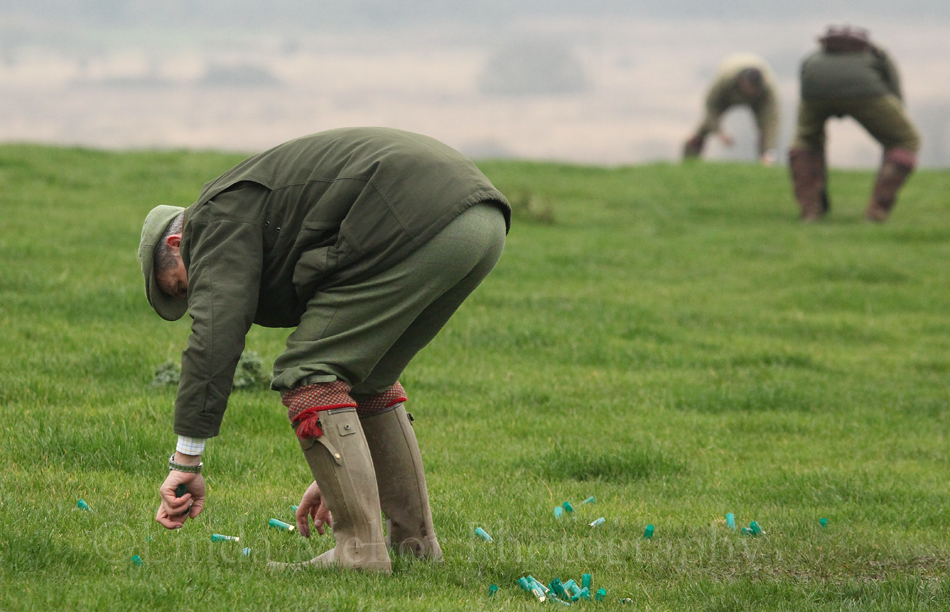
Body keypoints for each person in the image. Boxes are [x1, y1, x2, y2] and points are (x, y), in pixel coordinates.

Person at [138, 127, 511, 572]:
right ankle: (414, 543)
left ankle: (359, 552)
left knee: (309, 369)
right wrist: (339, 481)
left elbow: (215, 337)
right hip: (480, 220)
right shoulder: (240, 206)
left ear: (178, 245)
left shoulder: (212, 220)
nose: (194, 296)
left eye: (184, 286)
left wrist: (187, 460)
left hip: (419, 217)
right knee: (367, 377)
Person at [789, 25, 921, 222]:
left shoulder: (815, 57)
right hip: (866, 90)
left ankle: (810, 211)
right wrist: (894, 125)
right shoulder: (877, 54)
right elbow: (894, 92)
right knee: (906, 140)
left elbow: (803, 81)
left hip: (815, 89)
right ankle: (877, 210)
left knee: (806, 142)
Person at [683, 54, 781, 165]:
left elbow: (771, 121)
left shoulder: (767, 90)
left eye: (755, 91)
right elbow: (711, 107)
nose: (752, 93)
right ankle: (689, 159)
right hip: (726, 96)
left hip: (760, 100)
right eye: (750, 89)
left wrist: (768, 150)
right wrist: (719, 132)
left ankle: (765, 163)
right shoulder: (724, 80)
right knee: (705, 126)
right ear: (742, 82)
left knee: (767, 130)